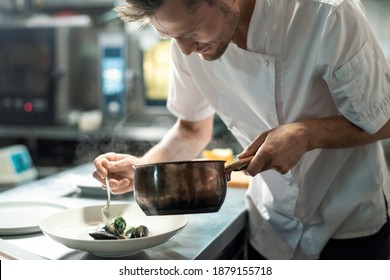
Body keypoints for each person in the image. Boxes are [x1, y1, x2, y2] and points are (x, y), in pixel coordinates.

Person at [93, 0, 390, 259]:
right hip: (270, 228)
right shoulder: (185, 45)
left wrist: (305, 134)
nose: (184, 51)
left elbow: (384, 117)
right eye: (169, 36)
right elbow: (191, 129)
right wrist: (146, 170)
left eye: (191, 32)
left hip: (350, 224)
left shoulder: (328, 13)